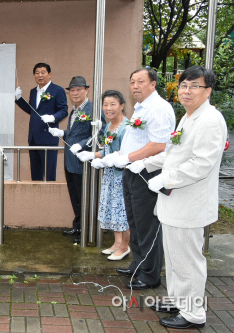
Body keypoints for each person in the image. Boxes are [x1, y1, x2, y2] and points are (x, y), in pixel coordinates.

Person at [128, 66, 227, 329]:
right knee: (174, 259)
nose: (187, 90)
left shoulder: (210, 120)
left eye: (194, 86)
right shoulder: (188, 117)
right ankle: (178, 300)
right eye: (183, 85)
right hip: (174, 203)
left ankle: (193, 314)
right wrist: (147, 164)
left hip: (189, 204)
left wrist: (165, 179)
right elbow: (173, 153)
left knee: (188, 261)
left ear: (207, 90)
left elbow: (201, 164)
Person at [104, 67, 175, 290]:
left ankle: (151, 274)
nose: (135, 86)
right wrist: (119, 157)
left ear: (153, 84)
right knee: (134, 222)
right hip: (131, 171)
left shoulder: (159, 108)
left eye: (140, 81)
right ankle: (139, 263)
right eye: (132, 81)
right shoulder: (140, 108)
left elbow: (159, 145)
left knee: (147, 225)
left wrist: (127, 157)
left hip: (148, 173)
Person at [48, 76, 103, 242]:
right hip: (70, 161)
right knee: (75, 196)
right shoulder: (75, 109)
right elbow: (75, 132)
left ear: (87, 90)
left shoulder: (92, 109)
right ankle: (78, 227)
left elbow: (99, 134)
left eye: (79, 89)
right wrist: (62, 133)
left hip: (83, 162)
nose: (75, 93)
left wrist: (80, 145)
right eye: (72, 90)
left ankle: (87, 231)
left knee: (84, 197)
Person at [76, 90, 130, 260]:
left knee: (122, 212)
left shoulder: (128, 127)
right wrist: (92, 155)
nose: (108, 108)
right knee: (111, 209)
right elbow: (106, 151)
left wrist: (112, 158)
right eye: (105, 105)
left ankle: (125, 246)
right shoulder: (108, 126)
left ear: (122, 105)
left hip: (123, 176)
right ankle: (116, 242)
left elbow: (128, 151)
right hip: (110, 176)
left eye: (113, 104)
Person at [15, 63, 68, 181]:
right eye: (37, 73)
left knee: (49, 174)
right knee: (35, 174)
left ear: (49, 74)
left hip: (48, 137)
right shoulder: (33, 91)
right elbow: (33, 111)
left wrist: (53, 117)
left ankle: (50, 198)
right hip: (33, 137)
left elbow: (64, 110)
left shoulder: (57, 90)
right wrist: (19, 99)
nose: (40, 75)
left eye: (43, 72)